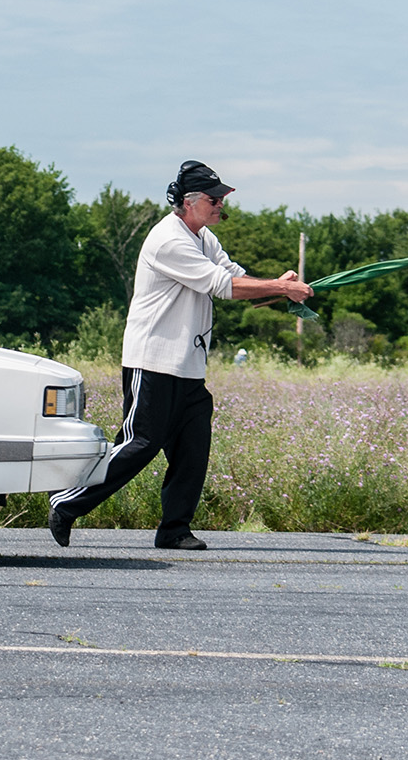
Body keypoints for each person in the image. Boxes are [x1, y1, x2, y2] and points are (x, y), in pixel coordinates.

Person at [46, 160, 313, 551]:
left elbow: (232, 272)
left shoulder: (204, 237)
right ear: (189, 202)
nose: (222, 204)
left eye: (222, 198)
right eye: (215, 198)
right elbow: (220, 285)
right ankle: (65, 503)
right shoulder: (168, 239)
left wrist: (280, 288)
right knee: (140, 444)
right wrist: (277, 286)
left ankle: (174, 529)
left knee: (193, 446)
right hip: (152, 361)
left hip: (188, 365)